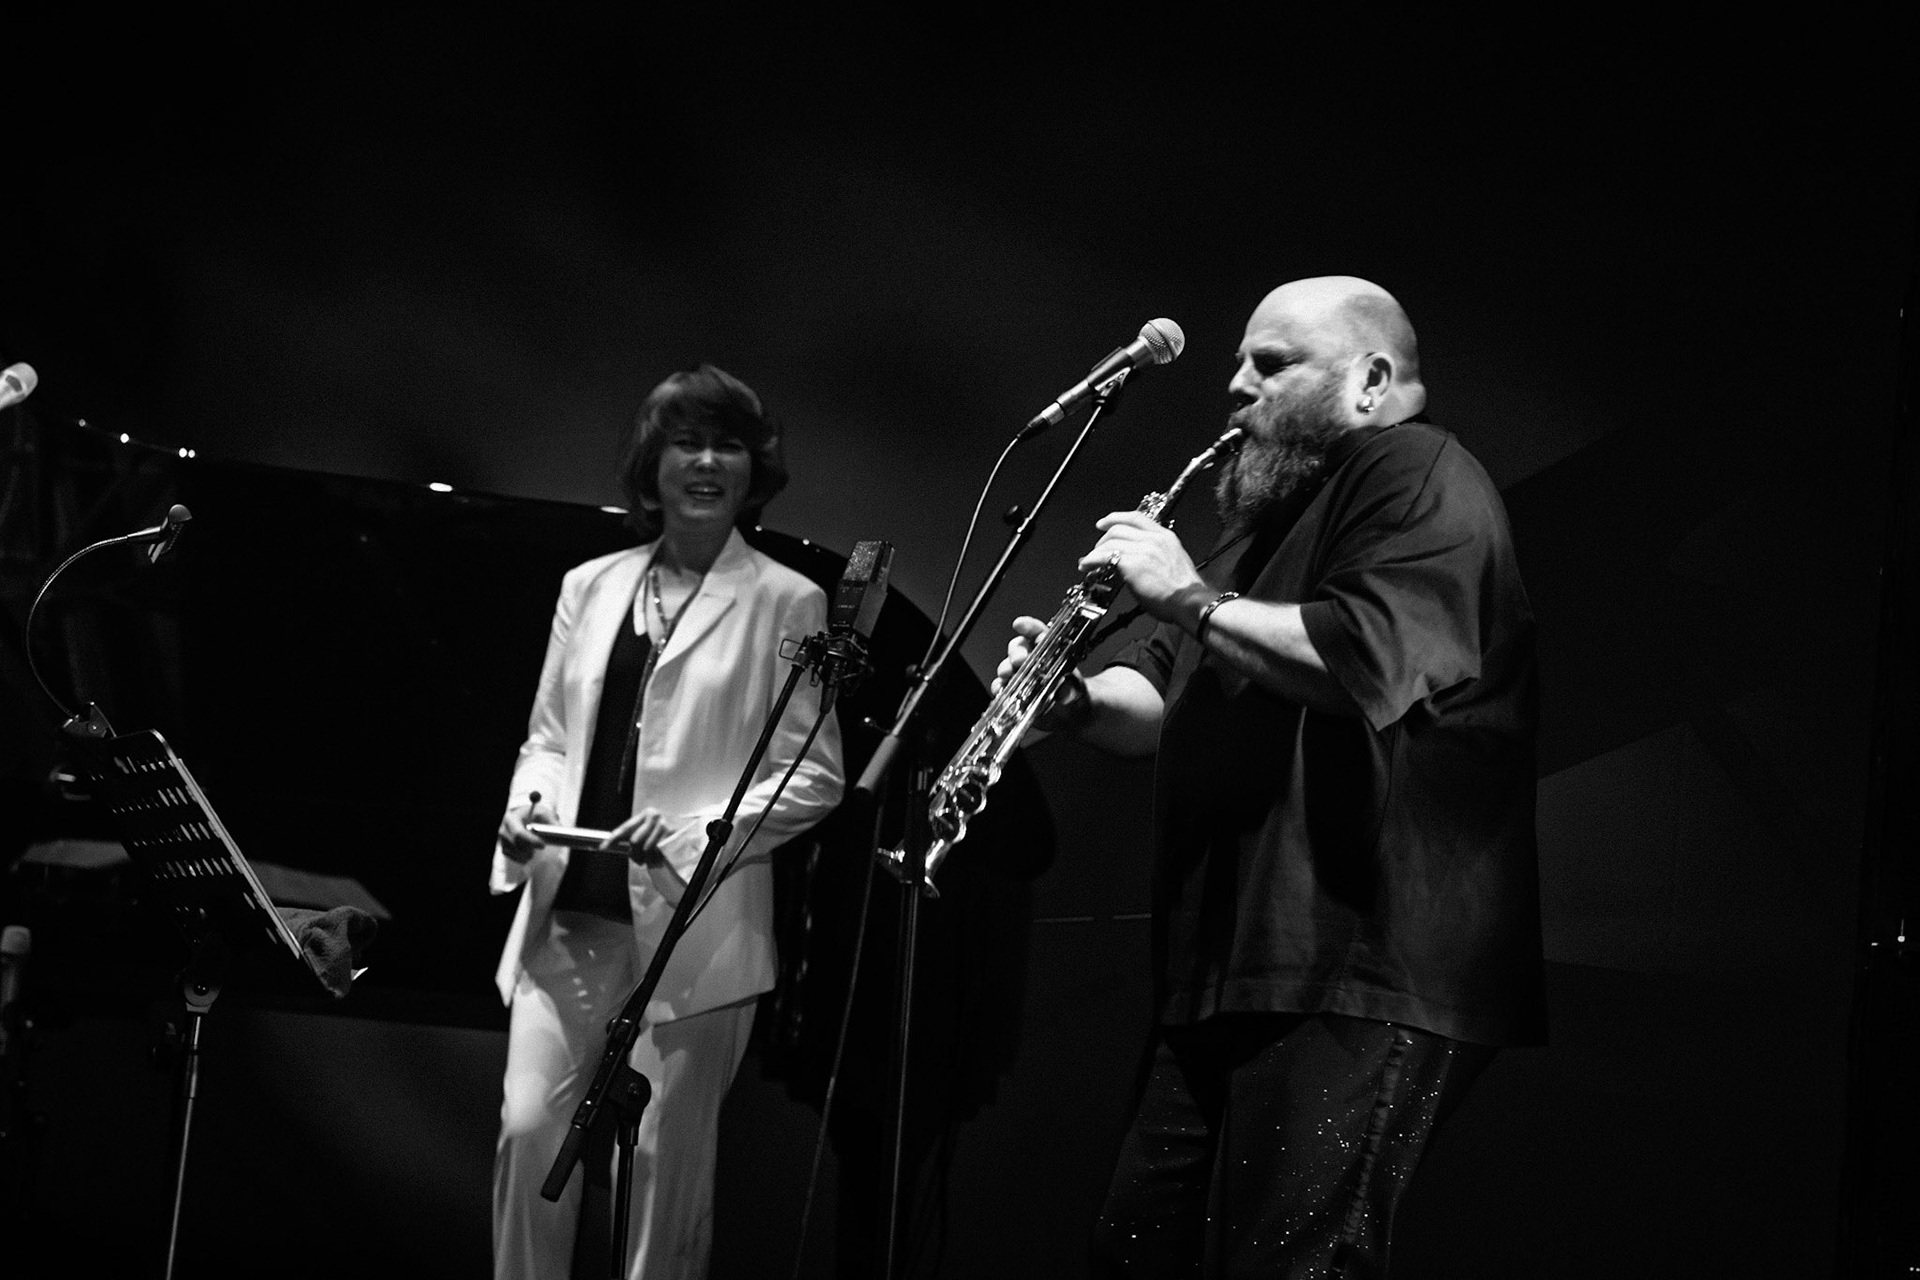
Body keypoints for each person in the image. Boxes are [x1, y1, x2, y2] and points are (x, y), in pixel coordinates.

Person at [998, 277, 1546, 1278]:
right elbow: (1159, 700)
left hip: (1359, 965)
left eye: (1272, 363)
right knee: (1130, 1254)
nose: (1235, 384)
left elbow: (1358, 656)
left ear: (1372, 379)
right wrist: (1069, 702)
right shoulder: (1259, 523)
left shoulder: (1420, 472)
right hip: (1227, 968)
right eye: (1242, 361)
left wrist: (1188, 595)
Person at [489, 364, 845, 1279]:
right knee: (529, 1137)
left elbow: (814, 777)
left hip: (697, 939)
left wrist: (688, 834)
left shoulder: (788, 601)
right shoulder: (591, 586)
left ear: (751, 471)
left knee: (664, 1176)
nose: (707, 461)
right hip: (569, 917)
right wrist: (528, 806)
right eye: (687, 441)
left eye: (727, 444)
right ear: (652, 464)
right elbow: (550, 739)